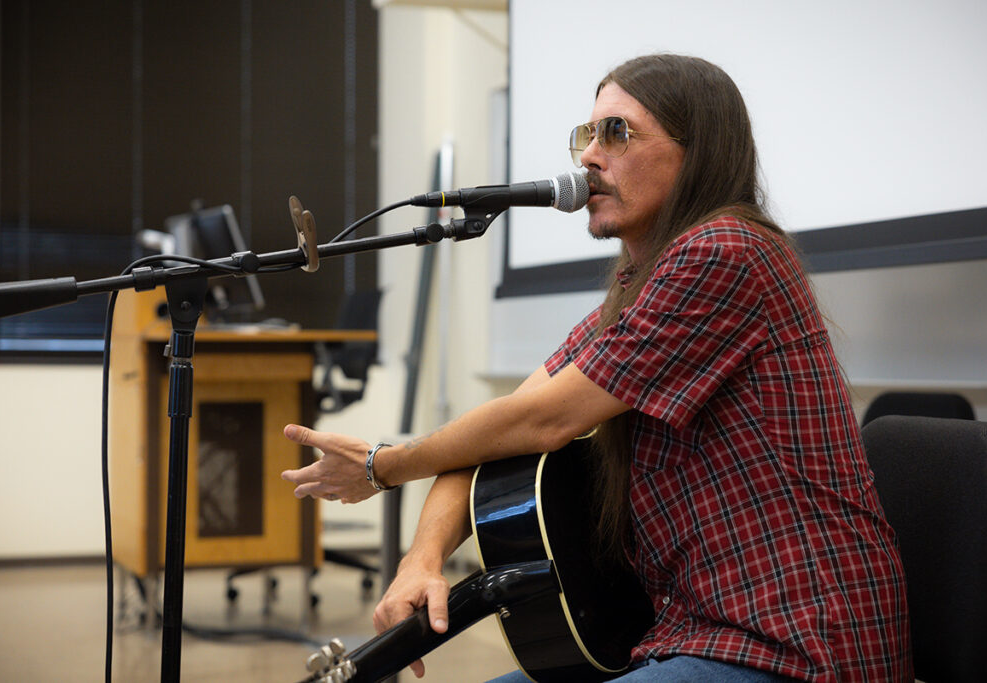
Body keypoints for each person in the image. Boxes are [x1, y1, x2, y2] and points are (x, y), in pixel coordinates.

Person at [281, 53, 912, 682]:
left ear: (699, 151)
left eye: (617, 133)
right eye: (587, 135)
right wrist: (421, 559)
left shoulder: (727, 253)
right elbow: (501, 427)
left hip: (797, 640)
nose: (587, 157)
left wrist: (380, 465)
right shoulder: (644, 283)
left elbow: (542, 420)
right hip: (692, 632)